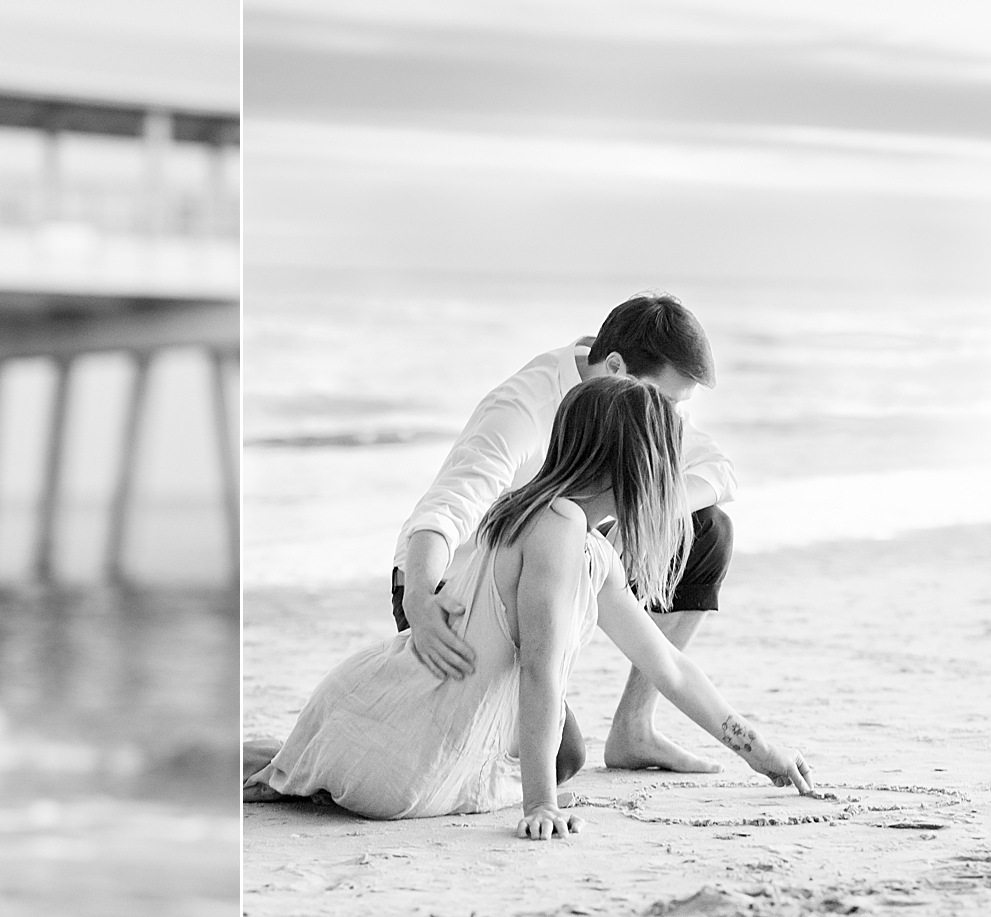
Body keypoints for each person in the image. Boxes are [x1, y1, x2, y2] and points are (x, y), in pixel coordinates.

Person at [246, 378, 812, 838]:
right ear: (639, 464)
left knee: (565, 757)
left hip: (390, 724)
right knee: (557, 764)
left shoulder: (577, 540)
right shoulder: (559, 528)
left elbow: (668, 665)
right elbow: (540, 667)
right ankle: (310, 763)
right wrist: (542, 805)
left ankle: (306, 763)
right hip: (406, 757)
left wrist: (759, 751)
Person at [394, 293, 737, 775]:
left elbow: (719, 471)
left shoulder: (644, 407)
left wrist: (636, 518)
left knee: (708, 530)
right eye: (667, 402)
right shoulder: (521, 409)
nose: (672, 421)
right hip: (456, 594)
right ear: (616, 367)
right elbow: (444, 511)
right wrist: (419, 602)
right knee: (562, 759)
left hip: (551, 584)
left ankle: (635, 728)